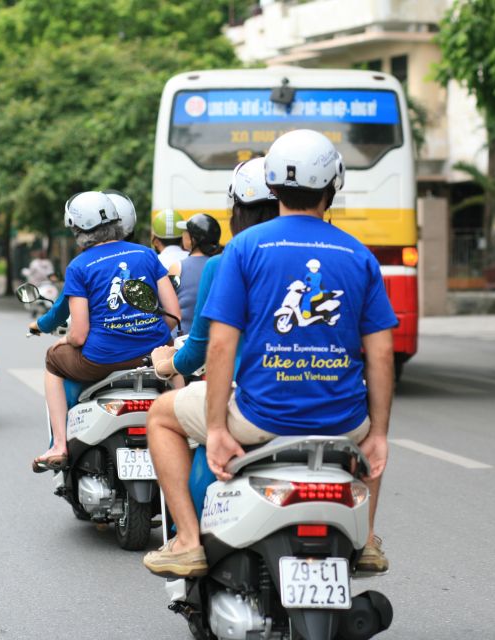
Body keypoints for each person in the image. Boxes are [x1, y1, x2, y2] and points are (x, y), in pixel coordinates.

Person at [141, 130, 397, 579]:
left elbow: (219, 346)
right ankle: (367, 539)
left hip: (261, 418)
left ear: (273, 186)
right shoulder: (359, 255)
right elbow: (381, 356)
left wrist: (217, 428)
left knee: (161, 415)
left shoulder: (243, 248)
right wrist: (377, 433)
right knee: (371, 452)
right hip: (344, 421)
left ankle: (185, 541)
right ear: (333, 186)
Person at [31, 191, 180, 472]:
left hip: (101, 361)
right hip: (153, 357)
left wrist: (63, 340)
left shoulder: (79, 266)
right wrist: (148, 337)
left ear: (77, 228)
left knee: (53, 359)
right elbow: (173, 314)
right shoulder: (146, 254)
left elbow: (79, 335)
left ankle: (59, 445)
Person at [151, 158, 278, 380]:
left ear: (238, 210)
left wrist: (163, 365)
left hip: (249, 393)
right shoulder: (345, 254)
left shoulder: (223, 263)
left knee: (161, 413)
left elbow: (200, 350)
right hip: (327, 398)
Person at [29, 190, 138, 336]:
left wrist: (40, 325)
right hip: (153, 342)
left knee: (55, 354)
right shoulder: (146, 255)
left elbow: (73, 327)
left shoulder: (81, 265)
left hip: (105, 347)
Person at [173, 213, 221, 336]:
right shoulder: (222, 264)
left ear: (193, 239)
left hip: (180, 339)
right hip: (213, 337)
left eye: (185, 231)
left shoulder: (177, 267)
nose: (182, 234)